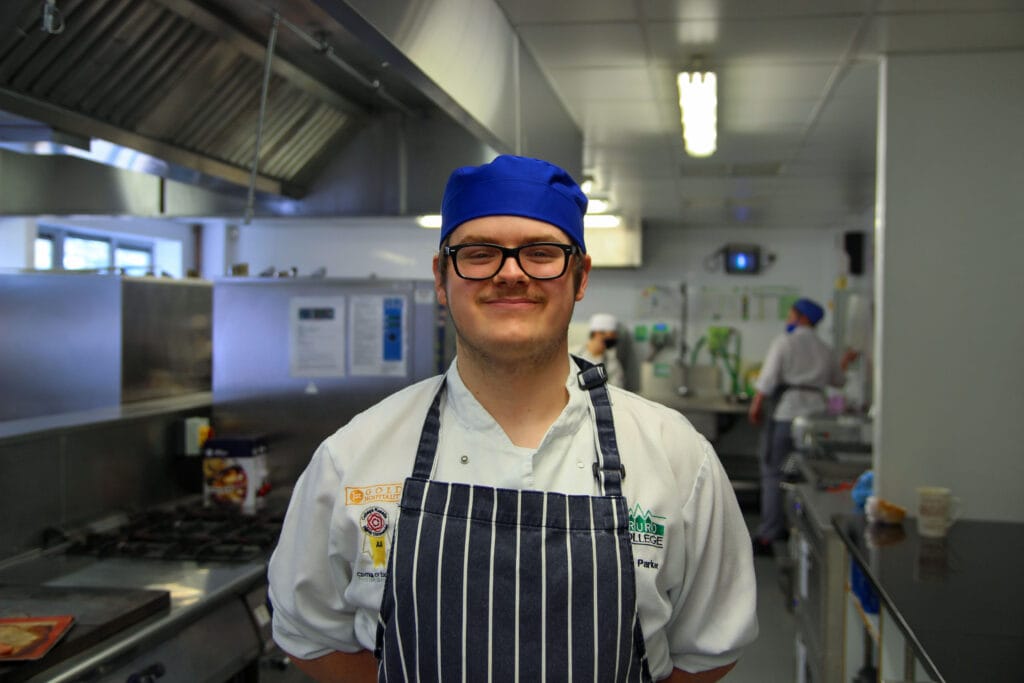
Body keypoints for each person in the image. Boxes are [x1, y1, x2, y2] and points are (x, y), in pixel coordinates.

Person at [267, 154, 758, 682]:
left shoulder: (679, 458)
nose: (510, 273)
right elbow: (309, 634)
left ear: (580, 275)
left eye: (541, 253)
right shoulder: (352, 458)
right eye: (478, 254)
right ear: (440, 276)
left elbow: (709, 647)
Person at [747, 298, 858, 555]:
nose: (789, 319)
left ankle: (769, 533)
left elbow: (767, 381)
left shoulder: (784, 343)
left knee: (775, 472)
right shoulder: (824, 347)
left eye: (791, 314)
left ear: (802, 317)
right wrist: (846, 361)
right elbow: (838, 381)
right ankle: (801, 529)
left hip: (787, 415)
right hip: (815, 421)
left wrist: (755, 407)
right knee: (804, 474)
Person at [576, 312, 625, 388]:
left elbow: (618, 388)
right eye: (612, 335)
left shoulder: (613, 363)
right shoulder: (575, 354)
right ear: (598, 333)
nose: (614, 338)